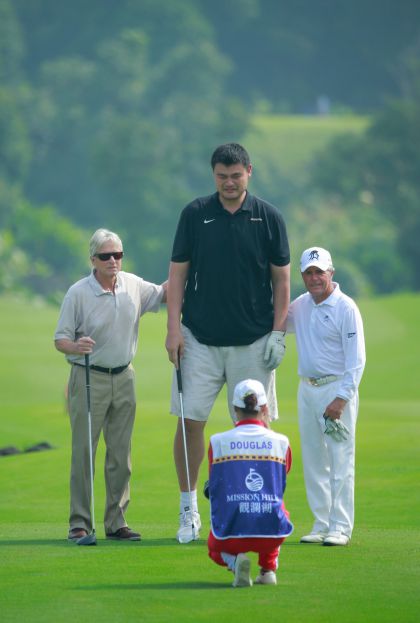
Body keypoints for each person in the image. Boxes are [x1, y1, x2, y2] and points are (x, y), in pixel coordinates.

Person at [165, 143, 290, 543]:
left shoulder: (268, 217)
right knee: (190, 422)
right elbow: (178, 275)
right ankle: (189, 510)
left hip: (253, 340)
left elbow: (282, 280)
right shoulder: (195, 214)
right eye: (222, 176)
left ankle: (258, 508)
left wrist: (278, 332)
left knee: (256, 427)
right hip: (198, 338)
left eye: (236, 175)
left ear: (249, 171)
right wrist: (173, 328)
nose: (229, 183)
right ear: (213, 175)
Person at [54, 228, 167, 542]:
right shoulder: (78, 292)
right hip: (88, 376)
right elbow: (60, 339)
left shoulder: (133, 284)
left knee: (120, 453)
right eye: (105, 256)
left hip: (125, 375)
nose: (113, 261)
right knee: (84, 452)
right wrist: (76, 346)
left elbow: (165, 293)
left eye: (117, 255)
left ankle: (116, 522)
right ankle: (79, 522)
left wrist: (187, 265)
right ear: (93, 259)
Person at [286, 246, 366, 546]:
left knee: (340, 459)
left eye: (319, 272)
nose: (314, 278)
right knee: (314, 460)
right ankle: (321, 523)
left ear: (331, 272)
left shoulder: (346, 308)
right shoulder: (301, 305)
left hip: (336, 390)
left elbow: (356, 359)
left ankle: (340, 527)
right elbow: (276, 320)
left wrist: (342, 398)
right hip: (307, 389)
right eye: (308, 273)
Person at [206, 379, 293, 588]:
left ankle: (235, 562)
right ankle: (268, 570)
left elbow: (216, 481)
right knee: (275, 504)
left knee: (214, 546)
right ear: (264, 408)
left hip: (230, 534)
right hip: (272, 532)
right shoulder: (281, 442)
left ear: (235, 409)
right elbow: (281, 478)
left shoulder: (218, 441)